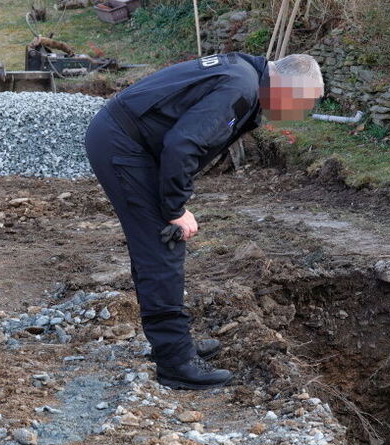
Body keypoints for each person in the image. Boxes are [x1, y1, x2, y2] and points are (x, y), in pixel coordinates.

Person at [84, 53, 324, 389]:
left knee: (155, 246)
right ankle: (176, 364)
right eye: (302, 105)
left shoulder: (244, 77)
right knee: (163, 245)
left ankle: (174, 347)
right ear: (286, 88)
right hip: (123, 144)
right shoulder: (240, 89)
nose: (299, 116)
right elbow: (183, 145)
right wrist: (175, 209)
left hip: (127, 139)